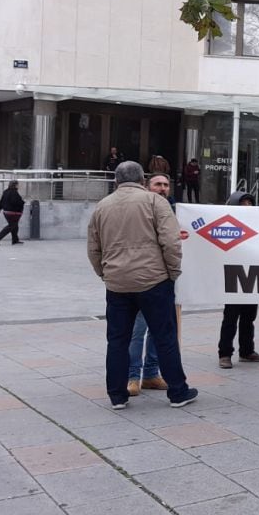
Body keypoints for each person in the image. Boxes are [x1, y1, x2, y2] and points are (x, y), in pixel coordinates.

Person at [87, 161, 197, 409]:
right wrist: (172, 272)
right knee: (165, 337)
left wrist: (104, 273)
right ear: (142, 180)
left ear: (116, 181)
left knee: (117, 340)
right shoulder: (155, 202)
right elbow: (170, 242)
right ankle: (178, 392)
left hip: (117, 283)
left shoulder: (102, 207)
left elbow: (93, 248)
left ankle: (117, 395)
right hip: (153, 280)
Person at [126, 173, 181, 396]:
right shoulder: (141, 209)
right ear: (147, 187)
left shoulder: (176, 210)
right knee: (138, 329)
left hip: (165, 277)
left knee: (161, 331)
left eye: (166, 185)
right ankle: (132, 376)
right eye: (157, 184)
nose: (162, 188)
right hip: (143, 277)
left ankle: (151, 374)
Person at [217, 191, 259, 369]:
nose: (247, 207)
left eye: (249, 203)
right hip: (233, 276)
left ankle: (247, 351)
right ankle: (225, 354)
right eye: (243, 204)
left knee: (249, 316)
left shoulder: (258, 225)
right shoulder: (225, 224)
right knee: (230, 317)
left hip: (251, 275)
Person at [0, 180, 25, 246]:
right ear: (15, 185)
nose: (18, 185)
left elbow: (1, 201)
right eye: (17, 184)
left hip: (6, 212)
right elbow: (15, 202)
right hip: (13, 213)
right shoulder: (14, 192)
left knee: (15, 226)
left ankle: (15, 240)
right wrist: (22, 202)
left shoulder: (5, 191)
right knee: (12, 225)